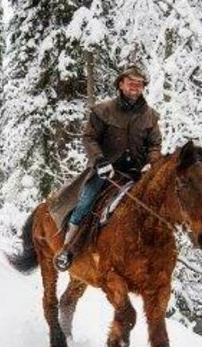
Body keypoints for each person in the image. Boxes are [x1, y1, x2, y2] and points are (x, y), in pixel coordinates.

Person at [55, 66, 162, 271]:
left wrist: (153, 162)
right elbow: (89, 138)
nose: (135, 87)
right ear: (120, 84)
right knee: (86, 202)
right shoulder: (103, 110)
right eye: (131, 82)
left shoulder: (150, 116)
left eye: (139, 83)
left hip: (136, 173)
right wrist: (99, 160)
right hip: (105, 171)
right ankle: (67, 248)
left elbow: (154, 145)